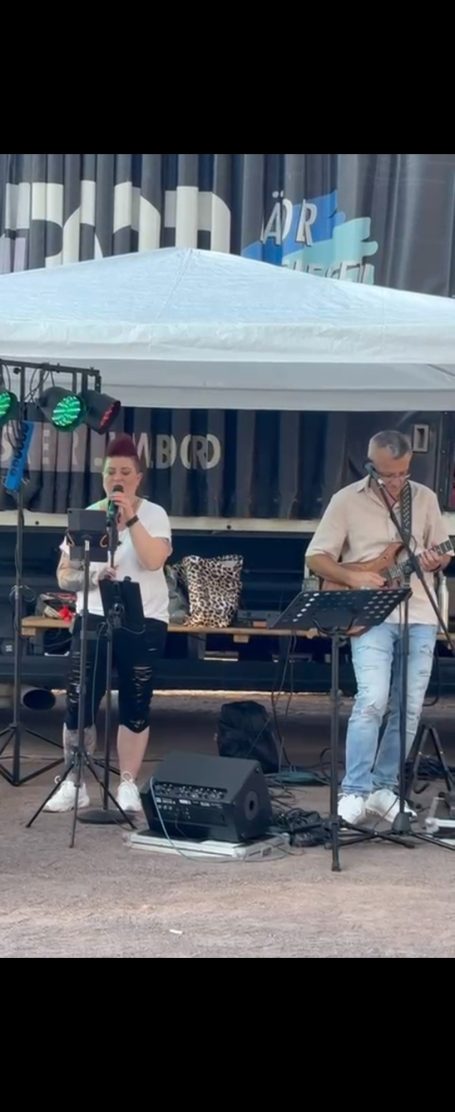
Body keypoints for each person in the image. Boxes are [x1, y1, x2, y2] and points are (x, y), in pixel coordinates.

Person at [305, 429, 453, 826]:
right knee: (372, 700)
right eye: (388, 474)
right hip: (369, 614)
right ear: (370, 466)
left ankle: (384, 788)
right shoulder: (346, 500)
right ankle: (354, 790)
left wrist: (437, 559)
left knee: (409, 706)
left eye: (403, 473)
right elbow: (316, 557)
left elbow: (442, 549)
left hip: (419, 612)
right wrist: (354, 578)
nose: (396, 481)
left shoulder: (424, 499)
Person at [45, 434, 172, 814]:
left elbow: (153, 561)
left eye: (125, 472)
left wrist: (130, 517)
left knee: (136, 701)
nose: (117, 478)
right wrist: (90, 575)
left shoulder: (154, 514)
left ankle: (128, 781)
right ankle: (74, 780)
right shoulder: (87, 515)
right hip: (94, 614)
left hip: (143, 617)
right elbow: (64, 575)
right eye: (110, 471)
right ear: (102, 477)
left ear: (138, 478)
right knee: (79, 698)